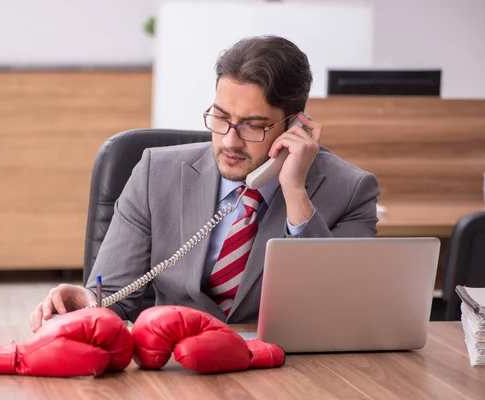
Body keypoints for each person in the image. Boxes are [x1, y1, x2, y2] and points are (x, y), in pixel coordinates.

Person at [30, 35, 380, 331]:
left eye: (252, 125)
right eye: (221, 118)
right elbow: (113, 297)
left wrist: (294, 191)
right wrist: (88, 303)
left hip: (286, 370)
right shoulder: (156, 172)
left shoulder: (351, 191)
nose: (230, 141)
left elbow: (337, 312)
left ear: (294, 127)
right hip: (175, 365)